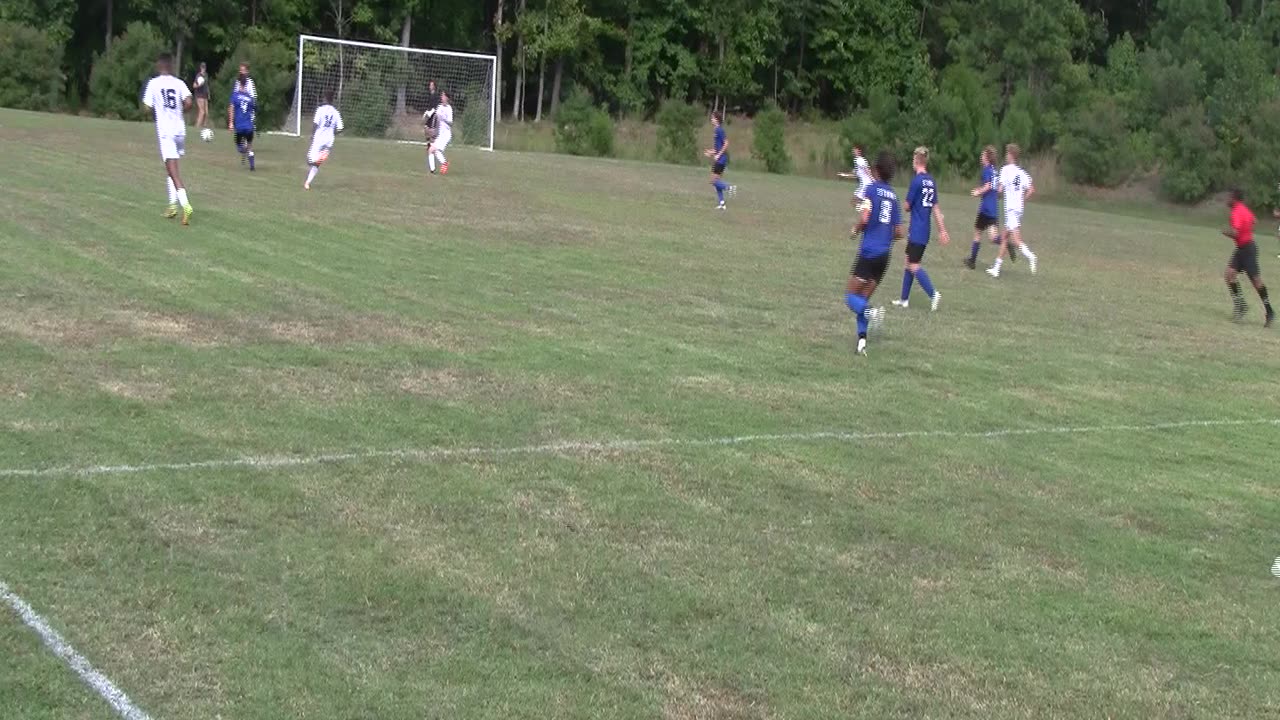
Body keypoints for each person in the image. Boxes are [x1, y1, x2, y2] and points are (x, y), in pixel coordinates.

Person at [845, 150, 900, 356]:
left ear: (876, 170)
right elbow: (899, 231)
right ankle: (861, 343)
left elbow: (865, 218)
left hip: (869, 252)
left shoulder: (871, 190)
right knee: (862, 299)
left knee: (851, 297)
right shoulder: (893, 196)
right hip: (884, 257)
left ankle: (872, 313)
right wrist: (884, 235)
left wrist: (856, 229)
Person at [893, 147, 950, 311]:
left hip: (917, 229)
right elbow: (936, 209)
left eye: (913, 159)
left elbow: (906, 206)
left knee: (913, 265)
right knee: (908, 261)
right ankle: (904, 300)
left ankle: (933, 294)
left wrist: (903, 205)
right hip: (925, 229)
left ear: (916, 160)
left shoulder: (917, 181)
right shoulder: (931, 181)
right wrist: (942, 230)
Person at [141, 52, 194, 224]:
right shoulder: (179, 83)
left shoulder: (153, 83)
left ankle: (185, 205)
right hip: (179, 129)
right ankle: (172, 206)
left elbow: (147, 107)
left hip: (166, 132)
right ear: (170, 66)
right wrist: (179, 112)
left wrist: (155, 111)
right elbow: (188, 102)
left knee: (173, 170)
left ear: (159, 66)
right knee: (170, 167)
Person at [1223, 188, 1275, 327]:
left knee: (1256, 282)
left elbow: (1235, 233)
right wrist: (1246, 231)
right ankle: (1241, 306)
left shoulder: (1236, 212)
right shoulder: (1244, 209)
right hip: (1242, 248)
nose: (1226, 200)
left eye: (1228, 197)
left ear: (1234, 198)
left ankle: (1270, 311)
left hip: (1247, 250)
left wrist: (1225, 232)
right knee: (1229, 275)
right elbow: (1254, 221)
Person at [987, 143, 1038, 278]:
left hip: (1011, 209)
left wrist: (991, 192)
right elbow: (1032, 189)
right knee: (1004, 237)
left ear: (1010, 155)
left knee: (1016, 240)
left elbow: (999, 190)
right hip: (1018, 209)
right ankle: (996, 268)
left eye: (1006, 153)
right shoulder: (1022, 173)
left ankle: (1031, 257)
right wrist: (1022, 200)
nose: (1005, 155)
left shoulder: (1005, 170)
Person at [965, 145, 999, 270]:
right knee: (993, 237)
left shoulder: (986, 170)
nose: (981, 157)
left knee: (978, 232)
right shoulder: (995, 171)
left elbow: (988, 185)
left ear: (987, 157)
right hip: (994, 208)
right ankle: (1006, 243)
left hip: (985, 208)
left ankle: (972, 261)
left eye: (982, 155)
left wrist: (977, 192)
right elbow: (997, 187)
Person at [304, 90, 344, 190]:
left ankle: (309, 178)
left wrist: (312, 135)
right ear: (332, 99)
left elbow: (315, 124)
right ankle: (307, 183)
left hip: (319, 139)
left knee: (310, 161)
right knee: (317, 163)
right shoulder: (336, 112)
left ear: (325, 98)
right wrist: (333, 133)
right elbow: (340, 128)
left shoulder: (320, 109)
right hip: (329, 141)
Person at [703, 112, 736, 210]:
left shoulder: (719, 130)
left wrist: (718, 155)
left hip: (721, 160)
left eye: (712, 118)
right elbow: (718, 148)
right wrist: (711, 152)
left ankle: (729, 187)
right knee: (716, 181)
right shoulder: (716, 130)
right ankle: (722, 203)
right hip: (720, 158)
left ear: (717, 119)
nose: (711, 119)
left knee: (713, 181)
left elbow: (726, 143)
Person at [228, 84, 257, 171]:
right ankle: (252, 165)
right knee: (250, 146)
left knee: (239, 147)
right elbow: (254, 109)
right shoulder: (250, 98)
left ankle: (243, 150)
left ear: (240, 85)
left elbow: (231, 109)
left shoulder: (235, 96)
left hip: (240, 127)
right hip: (249, 127)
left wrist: (231, 123)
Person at [427, 91, 453, 175]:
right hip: (441, 134)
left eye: (443, 95)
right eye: (441, 95)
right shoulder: (439, 107)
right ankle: (442, 165)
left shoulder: (449, 109)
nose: (441, 97)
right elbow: (436, 119)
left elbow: (451, 123)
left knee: (432, 149)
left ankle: (433, 170)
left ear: (447, 98)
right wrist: (433, 129)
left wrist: (444, 120)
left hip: (446, 135)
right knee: (433, 150)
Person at [421, 80, 441, 150]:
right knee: (426, 128)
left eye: (431, 85)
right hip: (430, 114)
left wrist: (431, 113)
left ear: (434, 86)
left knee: (432, 131)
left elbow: (435, 107)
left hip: (434, 115)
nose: (430, 86)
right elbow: (429, 106)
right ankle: (429, 144)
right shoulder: (430, 95)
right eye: (430, 85)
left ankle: (434, 145)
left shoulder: (435, 95)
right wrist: (426, 112)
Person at [192, 62, 210, 132]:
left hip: (205, 95)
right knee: (202, 112)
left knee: (206, 113)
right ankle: (197, 127)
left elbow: (207, 85)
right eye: (202, 67)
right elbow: (194, 86)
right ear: (200, 68)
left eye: (204, 67)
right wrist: (199, 85)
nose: (203, 69)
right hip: (199, 95)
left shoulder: (206, 75)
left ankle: (204, 127)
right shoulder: (198, 76)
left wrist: (208, 93)